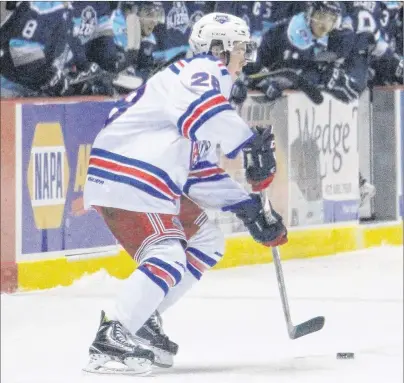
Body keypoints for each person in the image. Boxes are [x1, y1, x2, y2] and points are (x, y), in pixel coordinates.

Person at [83, 12, 287, 375]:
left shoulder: (209, 87)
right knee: (167, 254)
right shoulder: (201, 70)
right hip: (130, 172)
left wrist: (248, 206)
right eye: (240, 47)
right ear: (219, 50)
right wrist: (247, 141)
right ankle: (112, 337)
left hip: (147, 176)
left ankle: (142, 317)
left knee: (207, 240)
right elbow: (203, 115)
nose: (246, 56)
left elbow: (198, 172)